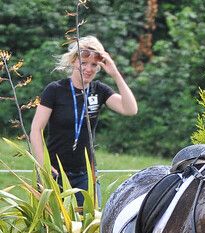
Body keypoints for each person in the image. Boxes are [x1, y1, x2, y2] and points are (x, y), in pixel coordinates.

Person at [30, 35, 138, 206]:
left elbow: (130, 109)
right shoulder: (55, 90)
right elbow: (36, 129)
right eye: (84, 63)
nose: (88, 69)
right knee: (52, 229)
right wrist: (43, 165)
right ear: (74, 62)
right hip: (54, 172)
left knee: (89, 229)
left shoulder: (99, 90)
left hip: (85, 174)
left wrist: (115, 73)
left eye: (94, 64)